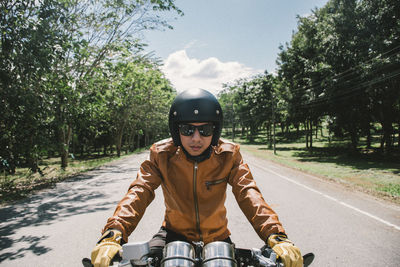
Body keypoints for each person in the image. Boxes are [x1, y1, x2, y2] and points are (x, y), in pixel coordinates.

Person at [91, 88, 303, 267]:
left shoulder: (229, 154)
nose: (195, 138)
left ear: (215, 130)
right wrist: (113, 233)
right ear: (176, 130)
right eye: (187, 129)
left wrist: (276, 235)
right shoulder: (161, 154)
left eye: (205, 130)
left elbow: (249, 194)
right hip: (172, 234)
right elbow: (139, 191)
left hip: (218, 237)